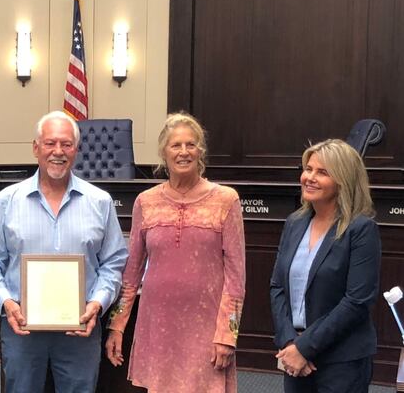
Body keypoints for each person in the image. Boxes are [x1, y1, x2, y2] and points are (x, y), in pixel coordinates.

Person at [0, 111, 128, 392]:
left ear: (77, 150)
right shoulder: (7, 201)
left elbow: (114, 262)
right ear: (36, 148)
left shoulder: (100, 202)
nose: (58, 152)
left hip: (81, 328)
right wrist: (6, 303)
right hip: (21, 327)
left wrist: (98, 303)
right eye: (50, 143)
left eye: (66, 144)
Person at [105, 112, 246, 392]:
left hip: (206, 329)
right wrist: (117, 325)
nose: (184, 152)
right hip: (158, 327)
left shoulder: (226, 200)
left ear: (200, 151)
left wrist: (228, 335)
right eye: (176, 145)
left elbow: (236, 278)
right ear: (163, 153)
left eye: (191, 145)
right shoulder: (146, 202)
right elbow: (131, 274)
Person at [270, 139, 380, 392]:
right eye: (308, 169)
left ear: (343, 179)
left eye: (322, 172)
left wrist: (305, 347)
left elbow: (357, 301)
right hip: (294, 354)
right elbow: (277, 286)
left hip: (341, 359)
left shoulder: (361, 229)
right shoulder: (294, 222)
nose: (309, 177)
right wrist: (290, 343)